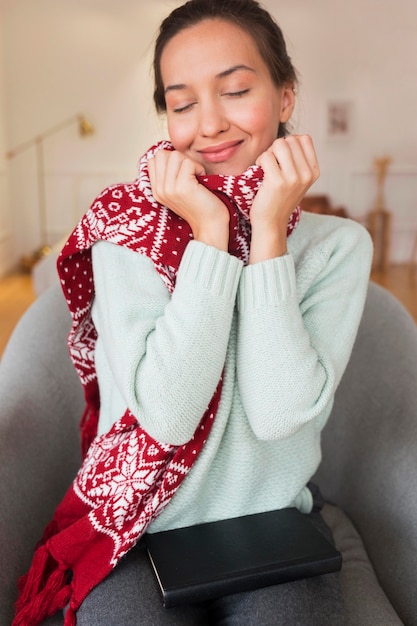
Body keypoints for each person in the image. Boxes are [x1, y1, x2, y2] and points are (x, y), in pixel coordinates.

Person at [14, 1, 373, 625]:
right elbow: (167, 419)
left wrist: (268, 237)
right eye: (181, 104)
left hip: (271, 530)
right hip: (139, 527)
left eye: (235, 90)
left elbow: (280, 414)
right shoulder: (125, 235)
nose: (208, 125)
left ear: (286, 96)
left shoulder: (339, 247)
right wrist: (208, 233)